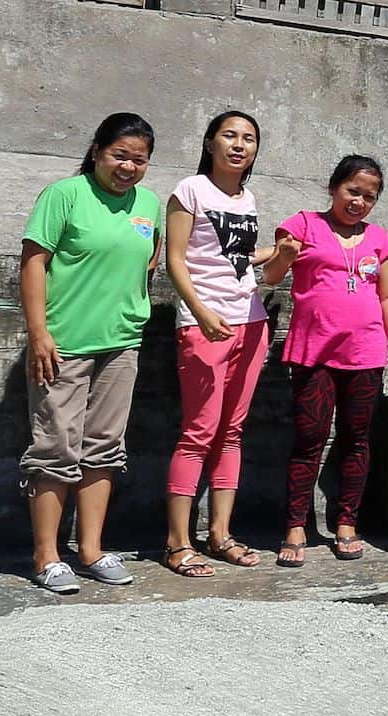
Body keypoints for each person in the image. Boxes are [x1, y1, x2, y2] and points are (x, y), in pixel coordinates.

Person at [20, 112, 162, 594]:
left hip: (121, 344)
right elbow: (34, 262)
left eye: (139, 160)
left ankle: (92, 549)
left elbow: (149, 262)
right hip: (64, 343)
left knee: (104, 447)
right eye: (120, 155)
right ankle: (46, 556)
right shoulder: (64, 194)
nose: (128, 167)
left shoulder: (150, 204)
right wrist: (39, 331)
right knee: (55, 446)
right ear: (98, 150)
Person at [263, 155, 388, 566]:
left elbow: (387, 296)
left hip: (364, 354)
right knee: (309, 440)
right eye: (352, 191)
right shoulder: (304, 224)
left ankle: (346, 522)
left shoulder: (379, 238)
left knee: (357, 440)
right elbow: (272, 275)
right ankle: (296, 526)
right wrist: (285, 255)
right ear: (333, 187)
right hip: (315, 352)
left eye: (369, 197)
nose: (359, 202)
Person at [161, 110, 274, 577]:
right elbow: (175, 261)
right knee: (198, 432)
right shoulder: (189, 190)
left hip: (251, 323)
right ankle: (176, 542)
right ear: (209, 142)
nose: (239, 144)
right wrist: (202, 313)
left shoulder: (248, 198)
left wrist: (280, 252)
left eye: (248, 138)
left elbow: (239, 261)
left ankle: (220, 533)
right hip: (204, 325)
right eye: (229, 135)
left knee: (231, 433)